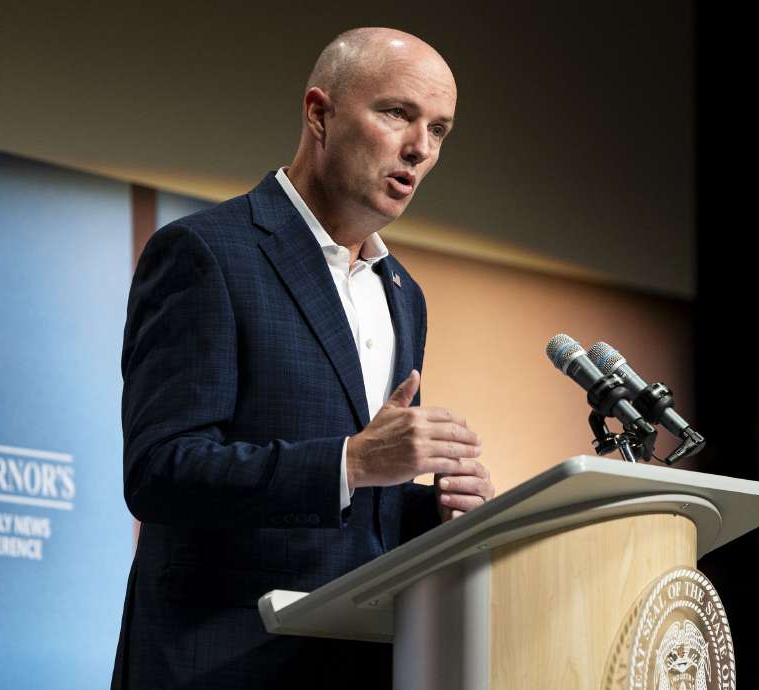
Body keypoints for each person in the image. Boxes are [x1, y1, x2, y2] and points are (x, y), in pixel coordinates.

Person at [111, 27, 494, 689]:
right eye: (397, 114)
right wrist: (353, 460)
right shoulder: (207, 254)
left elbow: (356, 513)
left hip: (353, 668)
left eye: (439, 130)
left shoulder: (404, 295)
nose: (419, 148)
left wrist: (430, 511)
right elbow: (160, 471)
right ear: (320, 114)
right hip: (220, 665)